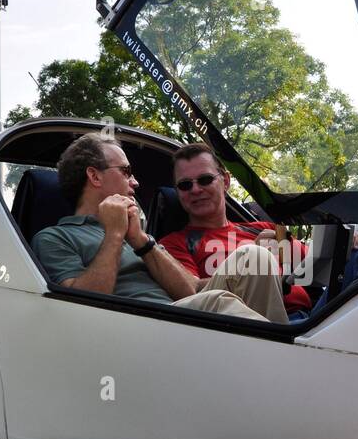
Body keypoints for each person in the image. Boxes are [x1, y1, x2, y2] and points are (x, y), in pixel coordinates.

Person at [32, 133, 286, 323]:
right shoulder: (54, 237)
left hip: (180, 315)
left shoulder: (140, 234)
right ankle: (287, 365)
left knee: (254, 257)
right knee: (219, 303)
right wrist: (114, 234)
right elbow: (83, 306)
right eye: (126, 171)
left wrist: (141, 240)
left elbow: (190, 290)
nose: (135, 181)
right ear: (95, 176)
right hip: (140, 326)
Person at [161, 143, 358, 316]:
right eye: (185, 185)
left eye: (204, 180)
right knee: (255, 258)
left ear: (225, 181)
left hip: (314, 319)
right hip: (267, 330)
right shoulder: (175, 244)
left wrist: (347, 245)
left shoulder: (261, 228)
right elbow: (194, 293)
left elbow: (315, 268)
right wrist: (248, 263)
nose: (195, 190)